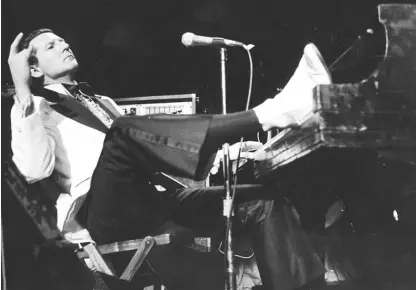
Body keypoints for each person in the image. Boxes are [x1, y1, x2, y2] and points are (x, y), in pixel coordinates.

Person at [8, 28, 332, 290]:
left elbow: (152, 152)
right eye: (51, 46)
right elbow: (35, 170)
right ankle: (274, 111)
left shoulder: (102, 101)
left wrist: (225, 156)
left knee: (262, 201)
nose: (64, 45)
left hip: (153, 199)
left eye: (62, 40)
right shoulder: (33, 108)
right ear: (33, 68)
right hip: (102, 214)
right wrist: (22, 90)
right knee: (122, 131)